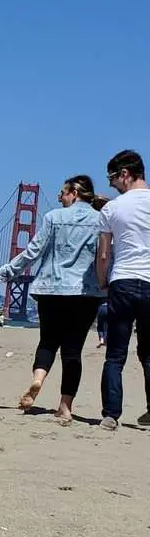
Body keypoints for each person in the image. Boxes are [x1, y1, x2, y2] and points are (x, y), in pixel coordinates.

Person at [0, 175, 107, 423]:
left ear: (74, 192)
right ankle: (64, 407)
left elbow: (32, 252)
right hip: (85, 294)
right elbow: (105, 256)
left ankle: (38, 380)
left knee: (48, 342)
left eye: (62, 193)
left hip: (51, 290)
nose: (59, 198)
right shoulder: (101, 220)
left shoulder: (53, 218)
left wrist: (1, 273)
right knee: (73, 352)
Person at [95, 149, 150, 431]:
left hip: (123, 282)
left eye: (113, 178)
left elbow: (104, 254)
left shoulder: (112, 209)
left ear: (125, 174)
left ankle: (111, 415)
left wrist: (102, 280)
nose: (111, 185)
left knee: (115, 354)